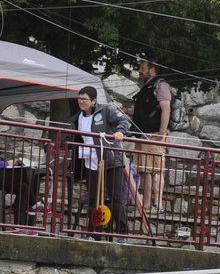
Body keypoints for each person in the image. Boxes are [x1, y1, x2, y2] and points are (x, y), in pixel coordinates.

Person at [70, 85, 133, 237]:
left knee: (115, 199)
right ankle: (94, 233)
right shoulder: (78, 117)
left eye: (84, 99)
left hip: (111, 160)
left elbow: (124, 120)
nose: (81, 102)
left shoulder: (106, 110)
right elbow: (83, 140)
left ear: (93, 101)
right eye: (79, 99)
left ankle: (121, 234)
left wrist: (119, 131)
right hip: (90, 162)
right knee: (93, 199)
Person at [131, 58, 172, 213]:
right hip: (144, 134)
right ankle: (147, 204)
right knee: (145, 170)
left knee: (156, 169)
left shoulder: (161, 86)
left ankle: (158, 204)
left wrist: (161, 133)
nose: (140, 71)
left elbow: (166, 108)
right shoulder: (148, 86)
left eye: (143, 67)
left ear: (152, 70)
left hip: (154, 135)